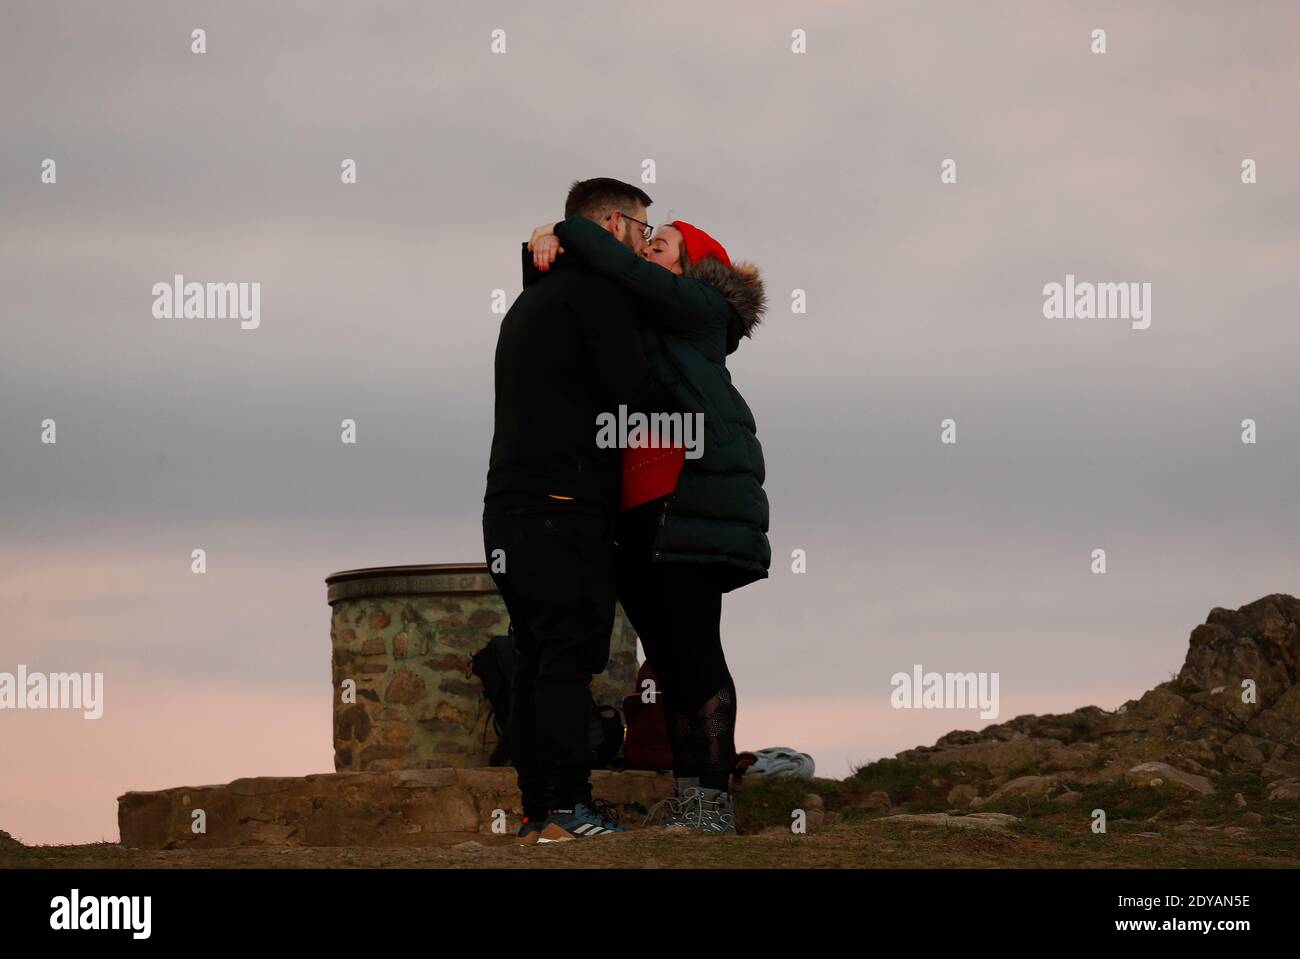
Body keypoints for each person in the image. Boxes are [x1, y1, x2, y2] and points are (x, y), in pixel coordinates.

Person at [526, 212, 770, 834]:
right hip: (654, 504)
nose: (645, 248)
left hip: (697, 497)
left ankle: (710, 805)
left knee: (695, 651)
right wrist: (540, 251)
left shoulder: (698, 306)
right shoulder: (654, 315)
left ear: (691, 268)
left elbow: (614, 264)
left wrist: (567, 226)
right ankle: (692, 797)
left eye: (659, 245)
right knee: (670, 655)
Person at [483, 177, 669, 844]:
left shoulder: (533, 302)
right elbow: (632, 392)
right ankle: (567, 807)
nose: (646, 245)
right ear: (614, 226)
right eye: (644, 231)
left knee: (536, 659)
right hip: (564, 506)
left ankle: (541, 812)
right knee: (564, 659)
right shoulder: (596, 295)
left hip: (509, 505)